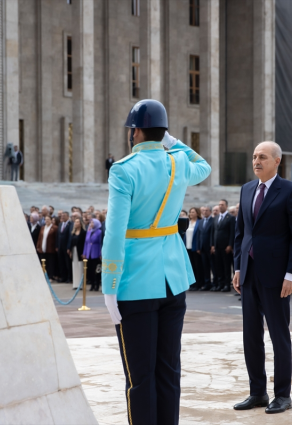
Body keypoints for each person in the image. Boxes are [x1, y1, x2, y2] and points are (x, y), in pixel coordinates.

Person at [101, 99, 210, 425]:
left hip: (136, 283)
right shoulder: (177, 163)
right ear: (162, 133)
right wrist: (173, 142)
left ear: (135, 132)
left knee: (139, 378)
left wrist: (109, 287)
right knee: (168, 371)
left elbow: (115, 234)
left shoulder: (124, 169)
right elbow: (203, 165)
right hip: (173, 280)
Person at [232, 141, 292, 415]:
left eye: (262, 157)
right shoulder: (247, 189)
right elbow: (241, 233)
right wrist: (238, 268)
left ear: (277, 161)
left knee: (278, 336)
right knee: (251, 336)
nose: (256, 161)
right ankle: (257, 392)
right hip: (249, 274)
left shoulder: (291, 191)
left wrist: (291, 274)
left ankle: (283, 396)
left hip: (277, 277)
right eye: (253, 157)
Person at [212, 199, 235, 292]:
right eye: (219, 204)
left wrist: (230, 245)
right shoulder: (216, 218)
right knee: (218, 266)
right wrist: (212, 245)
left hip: (226, 247)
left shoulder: (230, 217)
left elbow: (232, 232)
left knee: (226, 267)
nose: (220, 206)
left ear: (226, 206)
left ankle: (227, 285)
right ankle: (220, 284)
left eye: (222, 204)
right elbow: (213, 232)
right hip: (217, 246)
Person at [197, 205, 215, 291]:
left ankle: (215, 283)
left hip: (210, 247)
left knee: (213, 266)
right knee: (205, 267)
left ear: (210, 212)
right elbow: (198, 235)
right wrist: (198, 247)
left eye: (206, 210)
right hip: (202, 248)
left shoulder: (213, 220)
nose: (204, 212)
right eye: (203, 210)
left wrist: (212, 245)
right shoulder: (201, 221)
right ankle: (207, 283)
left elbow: (213, 234)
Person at [186, 207, 204, 291]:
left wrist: (199, 247)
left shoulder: (200, 222)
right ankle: (192, 284)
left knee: (197, 266)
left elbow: (200, 236)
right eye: (190, 212)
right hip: (187, 247)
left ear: (197, 213)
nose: (191, 214)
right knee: (191, 267)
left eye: (193, 212)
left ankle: (198, 284)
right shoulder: (188, 222)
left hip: (195, 248)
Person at [83, 218, 103, 291]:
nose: (91, 224)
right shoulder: (89, 231)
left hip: (96, 253)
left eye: (92, 223)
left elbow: (100, 243)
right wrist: (84, 253)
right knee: (90, 270)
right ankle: (92, 284)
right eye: (90, 223)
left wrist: (100, 253)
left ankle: (97, 285)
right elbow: (86, 243)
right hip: (89, 253)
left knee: (96, 271)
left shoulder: (99, 232)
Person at [67, 217, 86, 289]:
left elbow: (84, 243)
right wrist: (70, 250)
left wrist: (84, 253)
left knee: (80, 267)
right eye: (75, 222)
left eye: (77, 222)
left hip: (80, 251)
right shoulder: (73, 232)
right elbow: (71, 242)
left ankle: (80, 284)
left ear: (80, 224)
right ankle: (75, 284)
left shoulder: (83, 232)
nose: (76, 223)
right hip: (74, 250)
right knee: (74, 266)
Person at [56, 212, 72, 283]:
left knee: (67, 263)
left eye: (64, 216)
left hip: (66, 247)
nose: (62, 217)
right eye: (61, 216)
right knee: (61, 263)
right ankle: (63, 277)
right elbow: (58, 236)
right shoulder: (60, 224)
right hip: (60, 247)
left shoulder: (70, 224)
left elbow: (70, 237)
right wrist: (57, 246)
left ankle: (69, 277)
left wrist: (69, 247)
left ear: (68, 216)